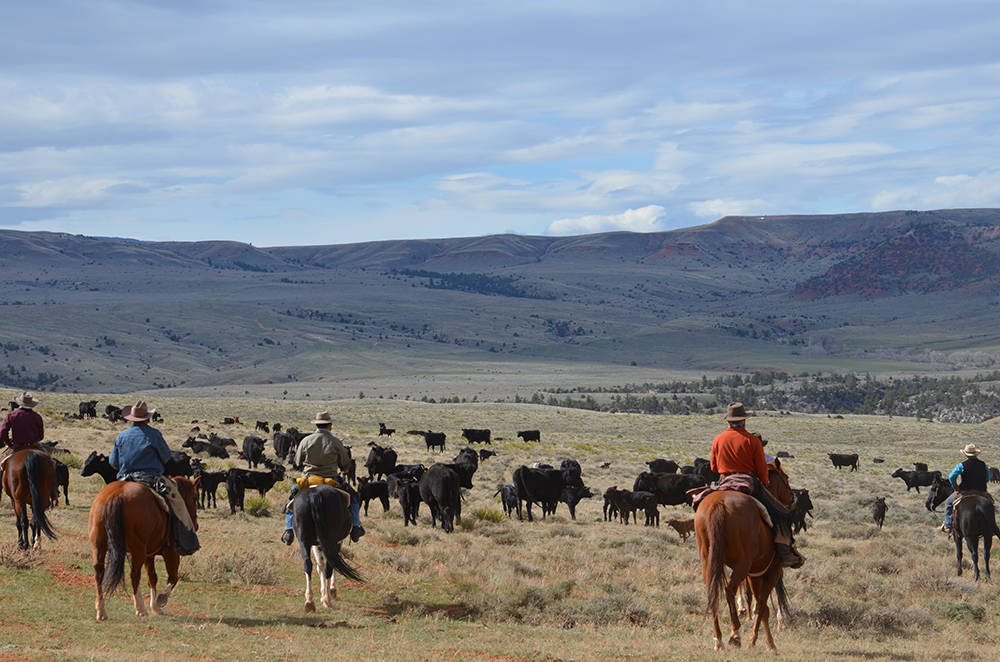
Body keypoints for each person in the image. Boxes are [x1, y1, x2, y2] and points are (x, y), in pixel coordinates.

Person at [709, 402, 804, 568]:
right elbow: (762, 470)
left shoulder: (718, 439)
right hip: (748, 482)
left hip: (724, 482)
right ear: (744, 420)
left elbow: (714, 467)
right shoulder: (752, 440)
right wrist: (765, 482)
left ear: (728, 421)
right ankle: (784, 553)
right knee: (782, 512)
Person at [109, 401, 200, 555]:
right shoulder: (154, 434)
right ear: (147, 419)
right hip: (151, 478)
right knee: (178, 502)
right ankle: (184, 541)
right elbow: (166, 457)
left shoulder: (121, 436)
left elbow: (113, 462)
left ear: (131, 419)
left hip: (124, 478)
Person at [281, 411, 364, 545]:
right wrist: (345, 469)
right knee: (353, 498)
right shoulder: (336, 442)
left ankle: (289, 530)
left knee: (292, 500)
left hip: (308, 479)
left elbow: (297, 461)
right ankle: (355, 527)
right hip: (331, 480)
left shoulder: (305, 441)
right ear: (329, 425)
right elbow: (344, 463)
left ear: (316, 424)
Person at [938, 443, 993, 534]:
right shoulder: (983, 464)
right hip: (981, 491)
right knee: (991, 505)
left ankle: (948, 525)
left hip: (965, 491)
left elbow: (952, 477)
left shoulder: (962, 465)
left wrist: (956, 487)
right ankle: (992, 526)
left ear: (965, 454)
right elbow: (988, 478)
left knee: (948, 503)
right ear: (975, 454)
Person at [0, 392, 47, 474]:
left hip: (17, 445)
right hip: (34, 445)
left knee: (2, 463)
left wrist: (9, 443)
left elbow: (2, 433)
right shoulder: (37, 417)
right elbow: (41, 436)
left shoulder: (11, 415)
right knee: (50, 462)